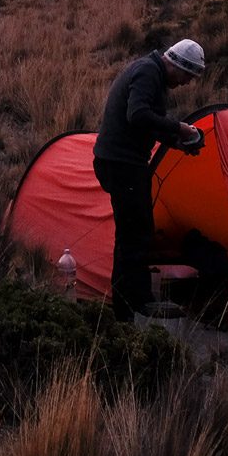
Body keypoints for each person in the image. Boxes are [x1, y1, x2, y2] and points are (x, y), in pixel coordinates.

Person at [92, 38, 206, 319]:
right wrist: (179, 128)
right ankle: (134, 304)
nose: (187, 83)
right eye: (188, 75)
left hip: (121, 163)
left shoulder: (152, 73)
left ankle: (129, 305)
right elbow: (138, 114)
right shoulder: (147, 72)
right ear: (178, 64)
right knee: (135, 233)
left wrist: (177, 142)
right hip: (122, 164)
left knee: (135, 230)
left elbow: (148, 124)